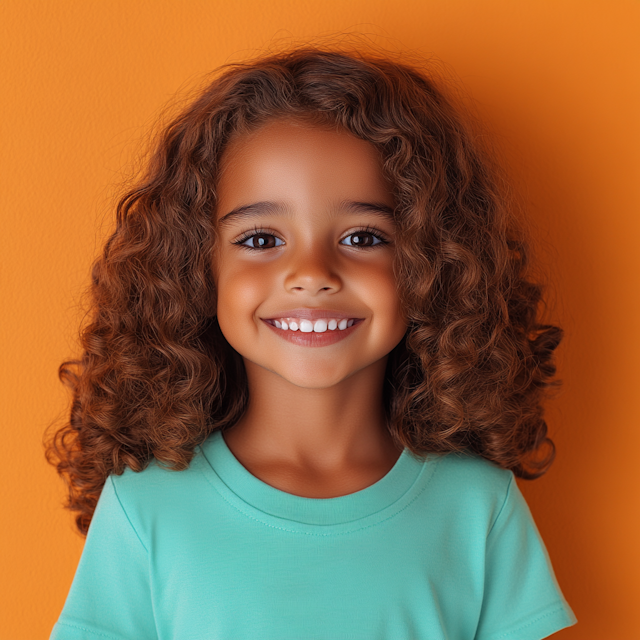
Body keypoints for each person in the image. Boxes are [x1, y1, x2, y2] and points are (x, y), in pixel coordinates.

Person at [46, 46, 577, 639]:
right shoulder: (146, 509)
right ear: (198, 268)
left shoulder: (478, 508)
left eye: (363, 235)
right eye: (260, 239)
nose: (312, 271)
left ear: (431, 262)